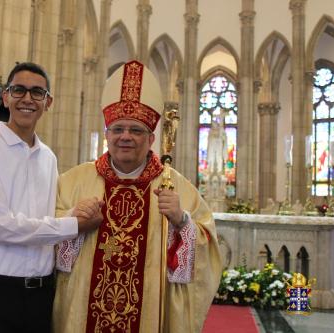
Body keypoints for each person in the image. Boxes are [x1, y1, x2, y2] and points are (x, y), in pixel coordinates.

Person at [53, 60, 222, 332]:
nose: (125, 137)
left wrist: (182, 222)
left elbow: (206, 250)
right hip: (83, 312)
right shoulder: (74, 181)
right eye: (118, 129)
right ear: (106, 134)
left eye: (136, 130)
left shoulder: (175, 186)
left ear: (151, 138)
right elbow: (46, 241)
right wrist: (74, 220)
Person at [0, 62, 103, 333]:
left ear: (48, 102)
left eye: (37, 92)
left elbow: (45, 219)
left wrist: (77, 211)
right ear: (6, 96)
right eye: (19, 90)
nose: (27, 99)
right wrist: (75, 225)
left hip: (40, 296)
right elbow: (0, 227)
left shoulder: (48, 158)